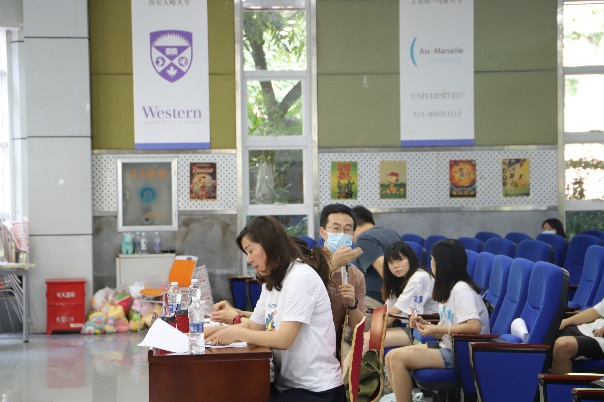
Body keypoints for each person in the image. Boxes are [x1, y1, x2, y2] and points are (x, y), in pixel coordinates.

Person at [206, 216, 345, 401]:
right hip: (289, 385)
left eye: (250, 251)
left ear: (269, 244)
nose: (249, 259)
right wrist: (208, 332)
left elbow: (283, 339)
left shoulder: (300, 278)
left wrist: (235, 333)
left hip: (317, 390)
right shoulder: (273, 281)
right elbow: (254, 326)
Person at [385, 239, 490, 402]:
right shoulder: (447, 289)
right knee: (390, 356)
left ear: (441, 264)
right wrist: (426, 324)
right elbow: (447, 328)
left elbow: (473, 326)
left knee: (398, 358)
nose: (431, 263)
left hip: (463, 354)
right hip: (449, 346)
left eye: (433, 259)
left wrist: (435, 329)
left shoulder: (461, 290)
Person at [319, 203, 366, 360]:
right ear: (323, 232)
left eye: (347, 230)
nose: (342, 234)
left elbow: (359, 326)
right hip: (308, 343)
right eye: (336, 229)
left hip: (336, 347)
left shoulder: (356, 275)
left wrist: (352, 304)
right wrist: (333, 265)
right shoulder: (309, 263)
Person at [351, 206, 401, 316]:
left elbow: (387, 270)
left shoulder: (364, 239)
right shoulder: (391, 233)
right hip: (391, 300)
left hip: (373, 301)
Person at [551, 298, 604, 373]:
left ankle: (557, 381)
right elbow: (596, 311)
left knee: (564, 345)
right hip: (589, 328)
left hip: (600, 338)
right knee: (548, 334)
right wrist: (565, 322)